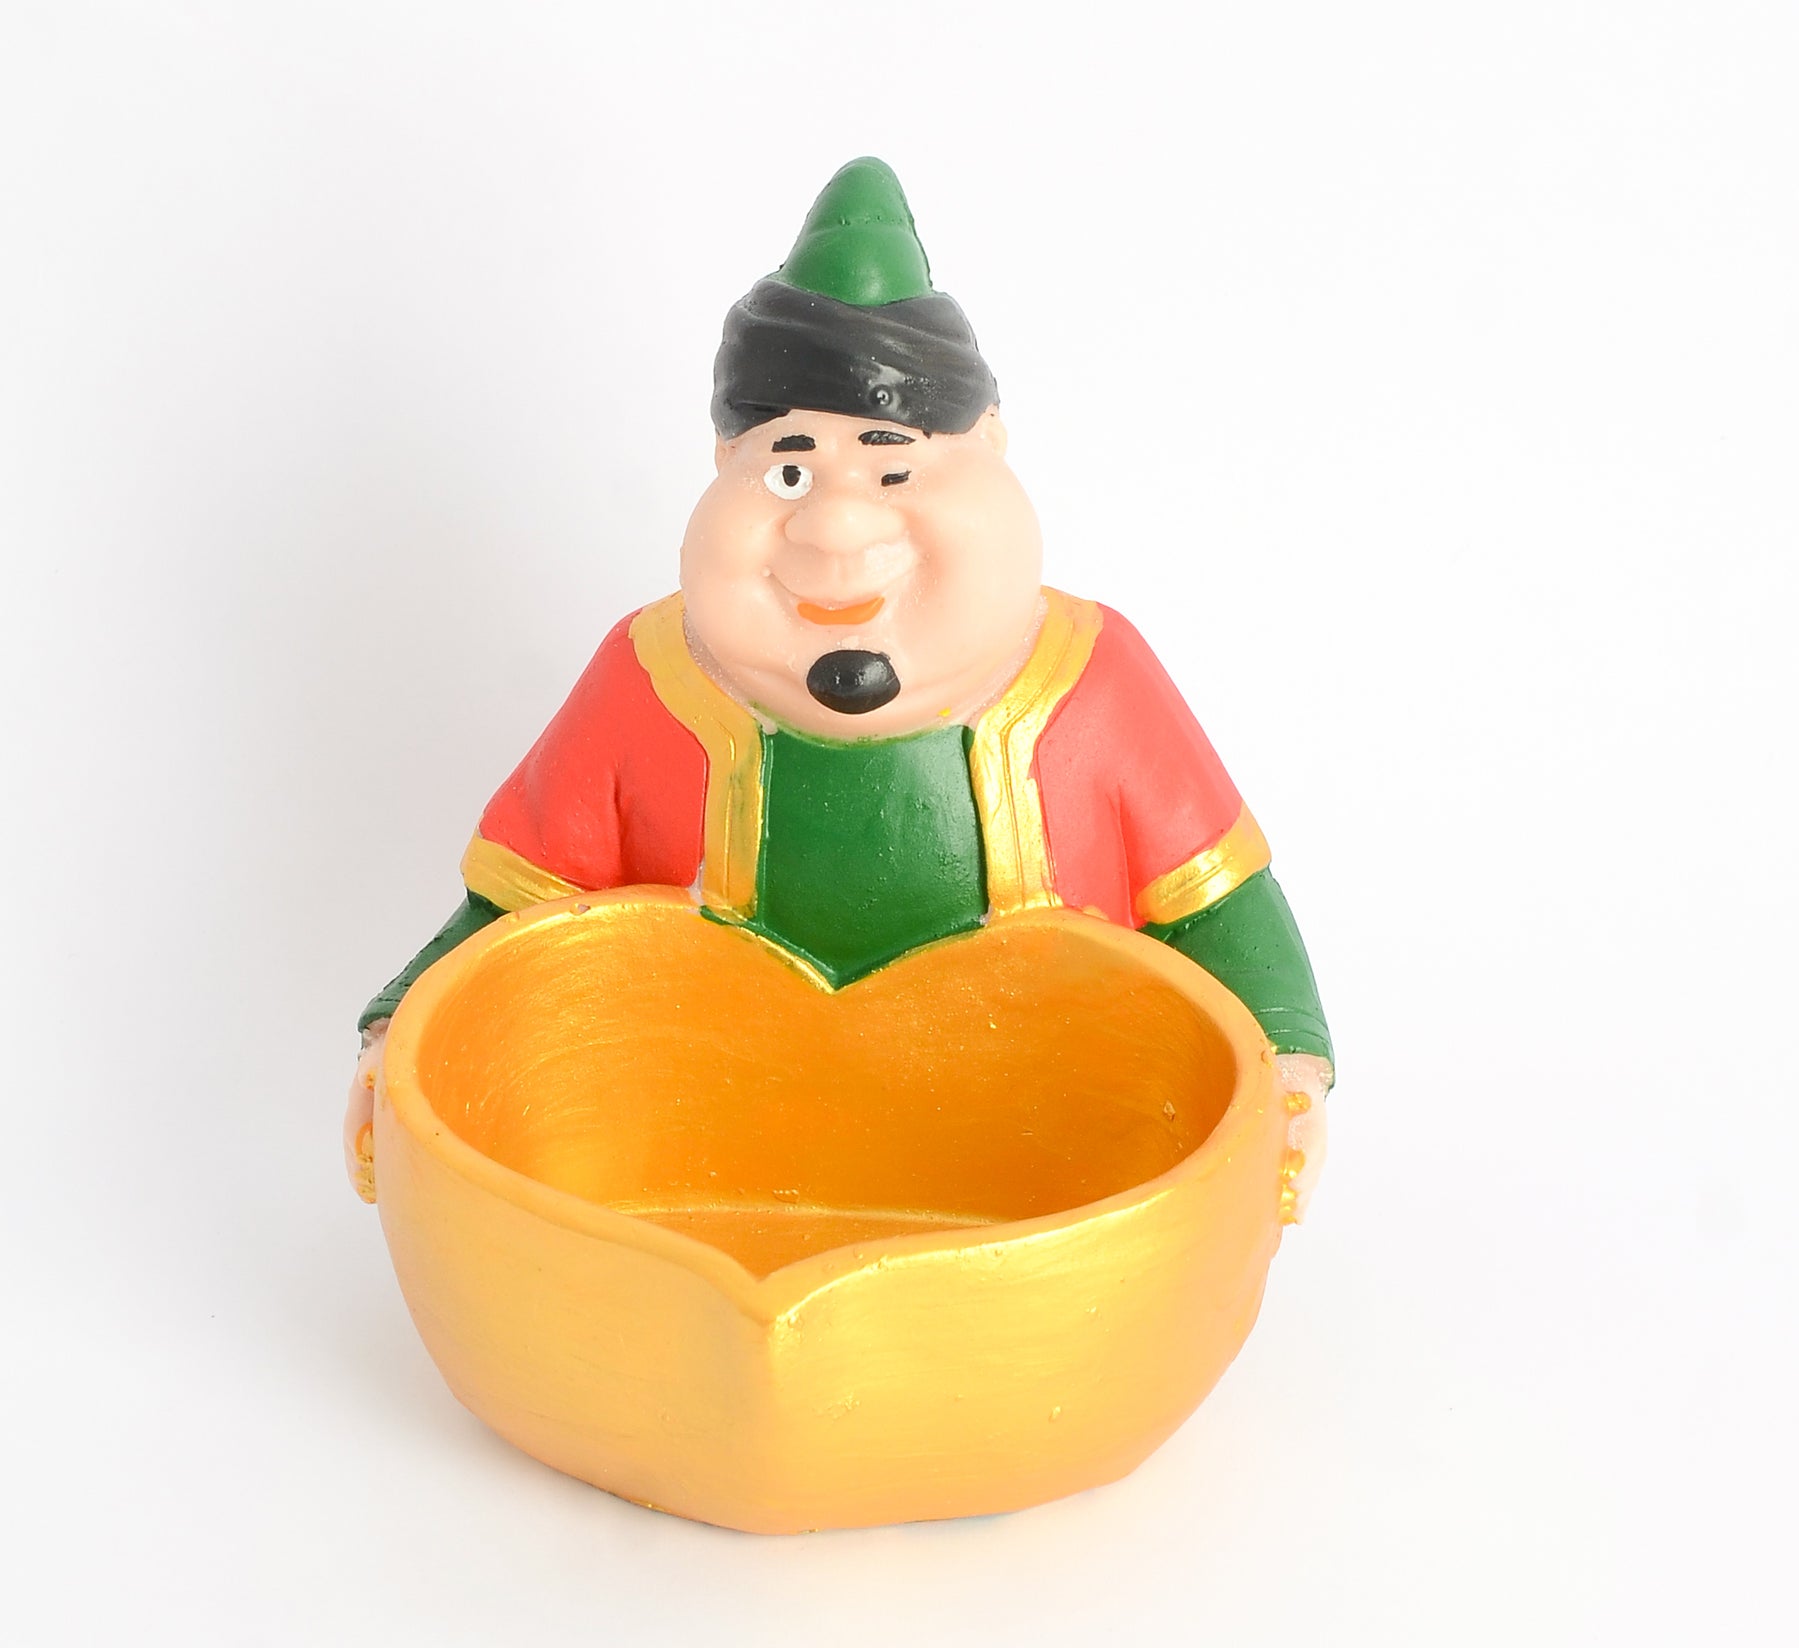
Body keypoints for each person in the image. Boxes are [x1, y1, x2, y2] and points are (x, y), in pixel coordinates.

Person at [344, 158, 1333, 1217]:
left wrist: (1286, 1061)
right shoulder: (651, 680)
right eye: (788, 470)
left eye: (891, 464)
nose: (836, 525)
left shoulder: (1090, 678)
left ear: (987, 447)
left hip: (1045, 1173)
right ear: (724, 459)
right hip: (697, 1170)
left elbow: (1216, 909)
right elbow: (518, 917)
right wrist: (401, 1031)